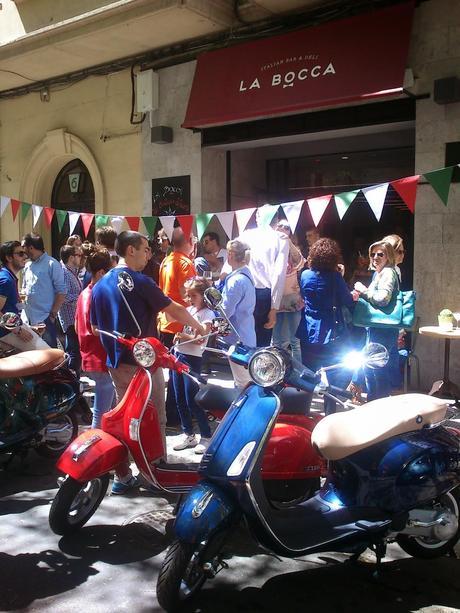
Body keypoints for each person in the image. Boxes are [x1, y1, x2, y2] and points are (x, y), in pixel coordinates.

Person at [90, 230, 206, 494]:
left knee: (124, 418)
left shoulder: (100, 284)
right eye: (145, 249)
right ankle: (157, 472)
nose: (148, 254)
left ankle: (124, 475)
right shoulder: (138, 281)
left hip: (116, 363)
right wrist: (198, 326)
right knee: (154, 418)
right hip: (143, 365)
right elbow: (173, 308)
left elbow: (96, 328)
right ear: (130, 250)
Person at [296, 238, 355, 415]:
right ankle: (329, 414)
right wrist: (342, 278)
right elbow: (346, 300)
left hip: (308, 329)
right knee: (333, 377)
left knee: (308, 376)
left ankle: (302, 412)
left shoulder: (305, 275)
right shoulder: (336, 278)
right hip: (331, 332)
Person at [352, 240, 399, 401]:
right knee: (371, 368)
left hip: (384, 328)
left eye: (381, 254)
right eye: (373, 254)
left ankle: (378, 405)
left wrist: (364, 290)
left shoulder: (388, 272)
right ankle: (375, 403)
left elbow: (383, 299)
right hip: (377, 327)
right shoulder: (380, 273)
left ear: (388, 257)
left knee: (377, 369)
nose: (375, 257)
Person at [233, 212, 289, 347]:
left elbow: (231, 257)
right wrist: (274, 308)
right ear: (276, 222)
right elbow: (278, 274)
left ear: (258, 218)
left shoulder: (246, 235)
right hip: (263, 294)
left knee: (243, 337)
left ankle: (243, 366)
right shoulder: (281, 238)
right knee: (261, 342)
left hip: (243, 288)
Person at [171, 277, 214, 453]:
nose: (189, 300)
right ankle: (188, 433)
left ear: (204, 296)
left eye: (193, 296)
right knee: (179, 398)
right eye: (188, 296)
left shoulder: (207, 314)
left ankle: (205, 435)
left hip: (192, 359)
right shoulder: (189, 310)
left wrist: (183, 337)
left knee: (193, 400)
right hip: (179, 355)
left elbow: (201, 339)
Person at [75, 248, 115, 429]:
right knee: (100, 412)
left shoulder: (84, 293)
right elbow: (97, 330)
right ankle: (95, 446)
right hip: (98, 356)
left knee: (111, 405)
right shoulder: (97, 295)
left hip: (89, 354)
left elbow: (77, 326)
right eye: (110, 273)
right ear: (101, 272)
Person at [0, 241, 48, 351]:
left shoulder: (9, 277)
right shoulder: (5, 280)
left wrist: (27, 328)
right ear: (9, 258)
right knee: (49, 356)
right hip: (6, 333)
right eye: (20, 254)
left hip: (13, 329)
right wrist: (19, 331)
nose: (25, 256)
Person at [221, 239, 256, 389]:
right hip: (246, 333)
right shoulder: (244, 277)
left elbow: (225, 311)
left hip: (238, 338)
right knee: (243, 380)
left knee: (243, 383)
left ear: (231, 254)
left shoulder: (236, 280)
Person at [21, 233, 66, 348]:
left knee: (49, 356)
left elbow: (61, 292)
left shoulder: (52, 264)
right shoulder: (27, 265)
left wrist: (51, 316)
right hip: (27, 320)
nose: (22, 251)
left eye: (23, 247)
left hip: (44, 320)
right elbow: (24, 289)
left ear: (30, 247)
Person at [271, 220, 305, 363]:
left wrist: (288, 242)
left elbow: (300, 262)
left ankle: (299, 371)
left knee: (295, 340)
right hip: (276, 300)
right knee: (277, 341)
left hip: (292, 299)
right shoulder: (271, 249)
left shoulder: (293, 249)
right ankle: (279, 368)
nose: (283, 229)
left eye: (287, 227)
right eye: (280, 226)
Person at [58, 245, 83, 377]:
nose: (80, 258)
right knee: (74, 352)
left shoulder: (71, 271)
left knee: (72, 350)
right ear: (71, 257)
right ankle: (73, 379)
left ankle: (72, 378)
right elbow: (64, 296)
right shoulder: (64, 273)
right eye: (78, 255)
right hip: (70, 318)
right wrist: (82, 297)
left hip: (74, 318)